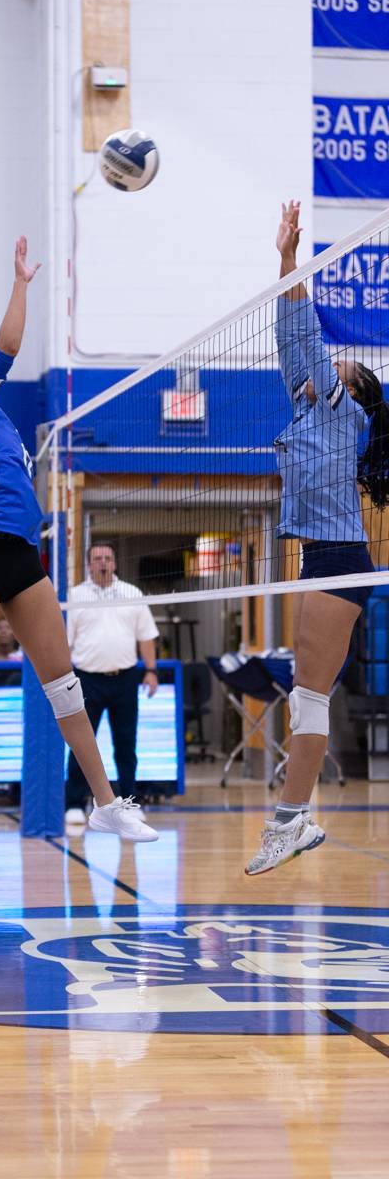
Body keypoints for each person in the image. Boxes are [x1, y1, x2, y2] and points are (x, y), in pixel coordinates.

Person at [0, 236, 158, 846]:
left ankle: (105, 804)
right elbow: (8, 347)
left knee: (64, 687)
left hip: (23, 556)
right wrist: (21, 283)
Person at [246, 200, 389, 875]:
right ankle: (294, 819)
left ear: (353, 393)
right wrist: (282, 260)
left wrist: (297, 264)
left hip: (340, 562)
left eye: (340, 370)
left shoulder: (343, 418)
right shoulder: (306, 408)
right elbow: (289, 333)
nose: (327, 369)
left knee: (307, 694)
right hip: (321, 559)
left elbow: (307, 333)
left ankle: (290, 821)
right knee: (308, 691)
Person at [64, 541, 159, 829]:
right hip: (86, 679)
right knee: (82, 744)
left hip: (125, 678)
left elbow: (146, 636)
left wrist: (151, 670)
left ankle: (129, 802)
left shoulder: (132, 594)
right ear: (89, 564)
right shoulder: (75, 596)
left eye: (107, 558)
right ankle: (74, 804)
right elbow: (64, 642)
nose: (103, 562)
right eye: (97, 558)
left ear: (114, 563)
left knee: (126, 744)